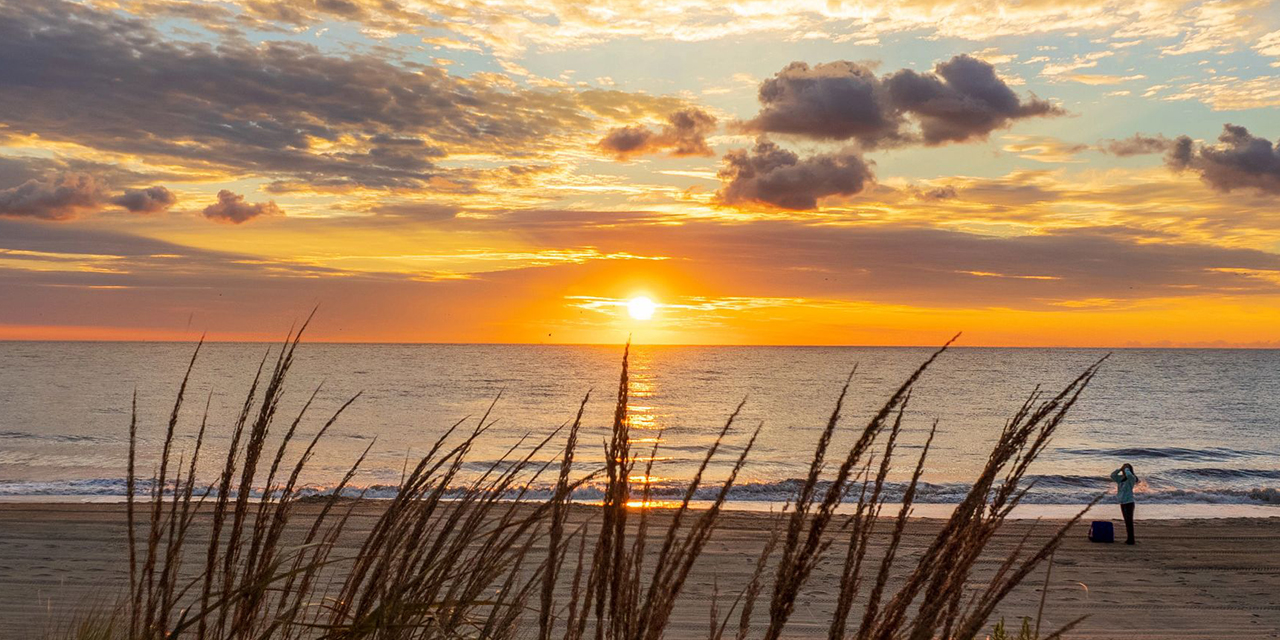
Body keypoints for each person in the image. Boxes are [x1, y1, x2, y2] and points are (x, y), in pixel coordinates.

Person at [1110, 463, 1138, 544]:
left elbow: (1129, 475)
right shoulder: (1121, 479)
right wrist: (1120, 469)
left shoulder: (1131, 479)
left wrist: (1126, 469)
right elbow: (1112, 475)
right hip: (1122, 501)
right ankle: (1129, 538)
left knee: (1129, 521)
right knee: (1126, 520)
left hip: (1129, 502)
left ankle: (1131, 539)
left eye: (1126, 468)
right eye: (1124, 468)